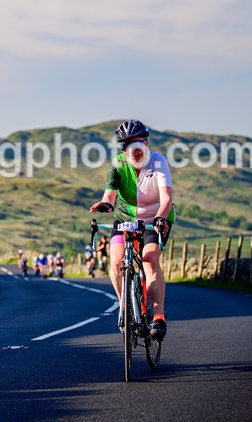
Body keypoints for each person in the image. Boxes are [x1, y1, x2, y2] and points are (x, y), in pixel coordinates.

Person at [90, 119, 174, 340]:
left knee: (150, 258)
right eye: (126, 146)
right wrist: (105, 204)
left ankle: (158, 316)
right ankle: (125, 306)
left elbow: (166, 199)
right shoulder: (118, 163)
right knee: (116, 261)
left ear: (145, 142)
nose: (132, 150)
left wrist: (159, 219)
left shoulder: (158, 162)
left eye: (136, 144)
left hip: (155, 217)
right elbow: (109, 194)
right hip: (124, 218)